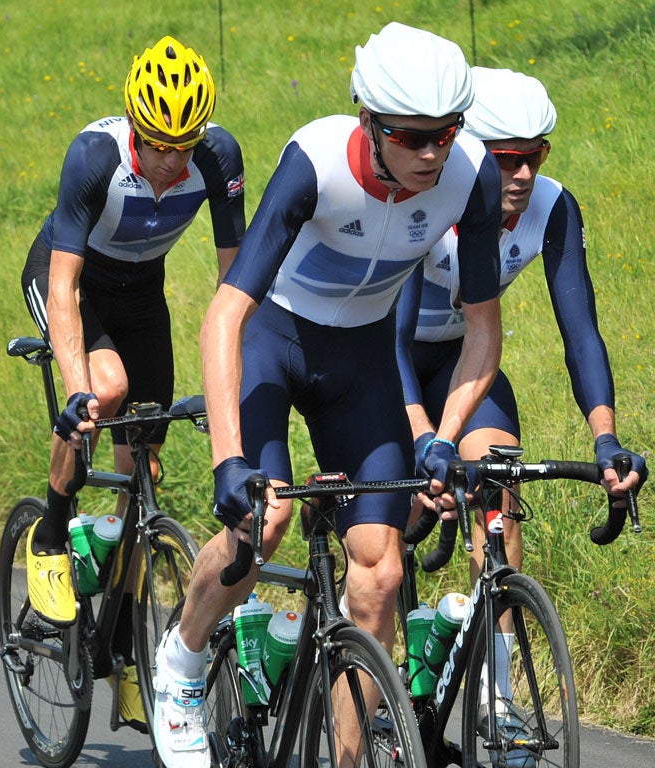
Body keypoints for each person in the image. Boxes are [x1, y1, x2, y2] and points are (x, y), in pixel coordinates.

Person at [151, 22, 505, 768]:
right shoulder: (315, 160)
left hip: (362, 358)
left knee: (380, 568)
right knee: (266, 518)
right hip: (274, 343)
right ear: (370, 122)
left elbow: (481, 327)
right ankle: (180, 664)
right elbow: (225, 313)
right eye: (413, 137)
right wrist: (226, 460)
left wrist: (442, 433)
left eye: (446, 133)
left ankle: (345, 758)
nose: (432, 153)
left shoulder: (471, 175)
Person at [396, 66, 647, 762]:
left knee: (496, 483)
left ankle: (495, 694)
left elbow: (582, 333)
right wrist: (423, 438)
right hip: (376, 360)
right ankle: (382, 654)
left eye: (534, 156)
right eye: (506, 159)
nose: (522, 174)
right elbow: (386, 338)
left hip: (460, 362)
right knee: (388, 530)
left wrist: (607, 442)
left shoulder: (553, 207)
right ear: (473, 152)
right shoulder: (429, 198)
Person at [19, 35, 245, 733]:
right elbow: (62, 287)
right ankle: (52, 539)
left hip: (144, 295)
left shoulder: (219, 159)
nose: (172, 162)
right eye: (158, 144)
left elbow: (232, 284)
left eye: (185, 144)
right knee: (108, 391)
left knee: (144, 461)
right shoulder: (95, 158)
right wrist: (76, 390)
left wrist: (229, 380)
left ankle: (120, 650)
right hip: (75, 284)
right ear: (133, 124)